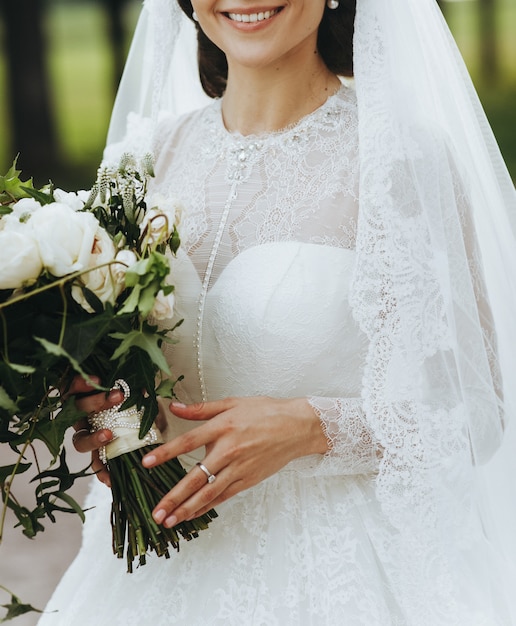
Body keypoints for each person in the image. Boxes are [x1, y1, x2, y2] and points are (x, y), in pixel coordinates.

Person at [38, 0, 516, 624]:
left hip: (342, 571)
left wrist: (312, 426)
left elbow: (476, 410)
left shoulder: (398, 162)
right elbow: (119, 363)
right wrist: (115, 420)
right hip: (155, 567)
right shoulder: (141, 161)